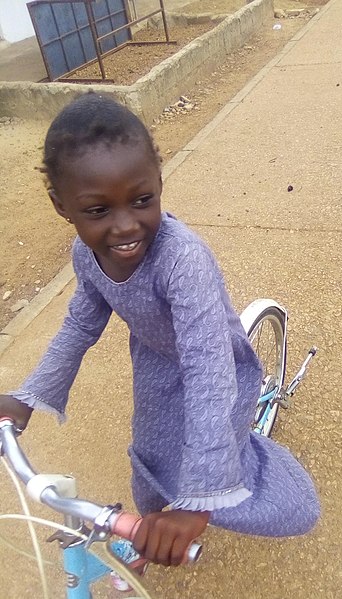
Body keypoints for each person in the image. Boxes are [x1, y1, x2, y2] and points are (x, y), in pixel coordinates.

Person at [0, 93, 319, 567]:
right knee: (149, 451)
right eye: (97, 210)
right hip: (155, 360)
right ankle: (147, 531)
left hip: (216, 367)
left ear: (158, 182)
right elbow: (79, 326)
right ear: (62, 206)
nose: (125, 225)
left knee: (213, 461)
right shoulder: (86, 255)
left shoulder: (181, 259)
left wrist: (199, 505)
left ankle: (238, 481)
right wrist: (27, 397)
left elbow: (209, 373)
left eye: (142, 200)